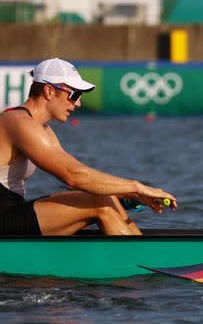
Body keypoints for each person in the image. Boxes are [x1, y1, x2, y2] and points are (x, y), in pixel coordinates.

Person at [0, 57, 177, 236]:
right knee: (100, 204)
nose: (78, 103)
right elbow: (74, 177)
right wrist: (138, 188)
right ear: (49, 91)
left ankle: (143, 255)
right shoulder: (19, 123)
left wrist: (130, 196)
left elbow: (79, 175)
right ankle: (141, 262)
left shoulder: (43, 129)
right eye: (74, 95)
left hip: (14, 210)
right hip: (4, 218)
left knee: (105, 199)